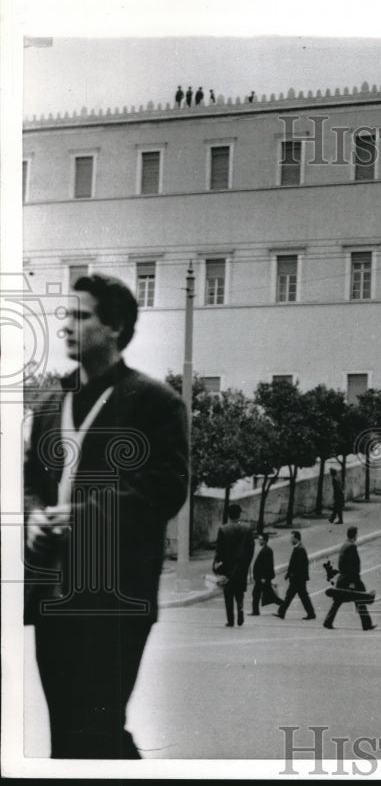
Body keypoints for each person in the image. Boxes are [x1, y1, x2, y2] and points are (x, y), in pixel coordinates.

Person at [23, 273, 188, 758]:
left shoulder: (155, 402)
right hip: (54, 590)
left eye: (81, 315)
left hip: (116, 595)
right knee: (67, 736)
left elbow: (164, 487)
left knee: (96, 729)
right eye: (66, 316)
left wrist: (82, 519)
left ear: (114, 326)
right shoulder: (51, 402)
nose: (67, 326)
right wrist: (36, 518)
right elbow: (30, 479)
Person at [322, 526, 375, 631]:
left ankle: (328, 622)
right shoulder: (351, 546)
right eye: (357, 534)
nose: (357, 536)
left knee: (340, 601)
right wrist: (352, 582)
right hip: (350, 579)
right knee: (358, 599)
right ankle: (366, 624)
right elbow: (352, 566)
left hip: (344, 578)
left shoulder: (345, 545)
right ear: (355, 535)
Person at [214, 504, 254, 627]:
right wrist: (246, 563)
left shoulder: (223, 529)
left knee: (228, 593)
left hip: (227, 566)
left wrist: (217, 564)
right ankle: (240, 609)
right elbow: (250, 548)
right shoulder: (247, 528)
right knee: (239, 591)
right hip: (242, 566)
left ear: (228, 515)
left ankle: (230, 620)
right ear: (239, 514)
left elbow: (219, 550)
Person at [275, 531, 315, 620]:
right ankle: (311, 613)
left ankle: (281, 612)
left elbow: (298, 565)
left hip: (298, 578)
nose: (291, 540)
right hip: (298, 578)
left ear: (297, 538)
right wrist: (288, 574)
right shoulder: (298, 548)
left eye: (292, 538)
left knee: (290, 595)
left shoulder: (300, 549)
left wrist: (291, 575)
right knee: (302, 595)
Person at [250, 532, 276, 615]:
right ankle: (283, 607)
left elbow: (267, 565)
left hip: (262, 577)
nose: (259, 541)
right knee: (271, 595)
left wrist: (264, 577)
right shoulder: (265, 549)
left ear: (264, 541)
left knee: (256, 593)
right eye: (258, 539)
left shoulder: (267, 550)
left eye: (260, 539)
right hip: (261, 577)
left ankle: (255, 611)